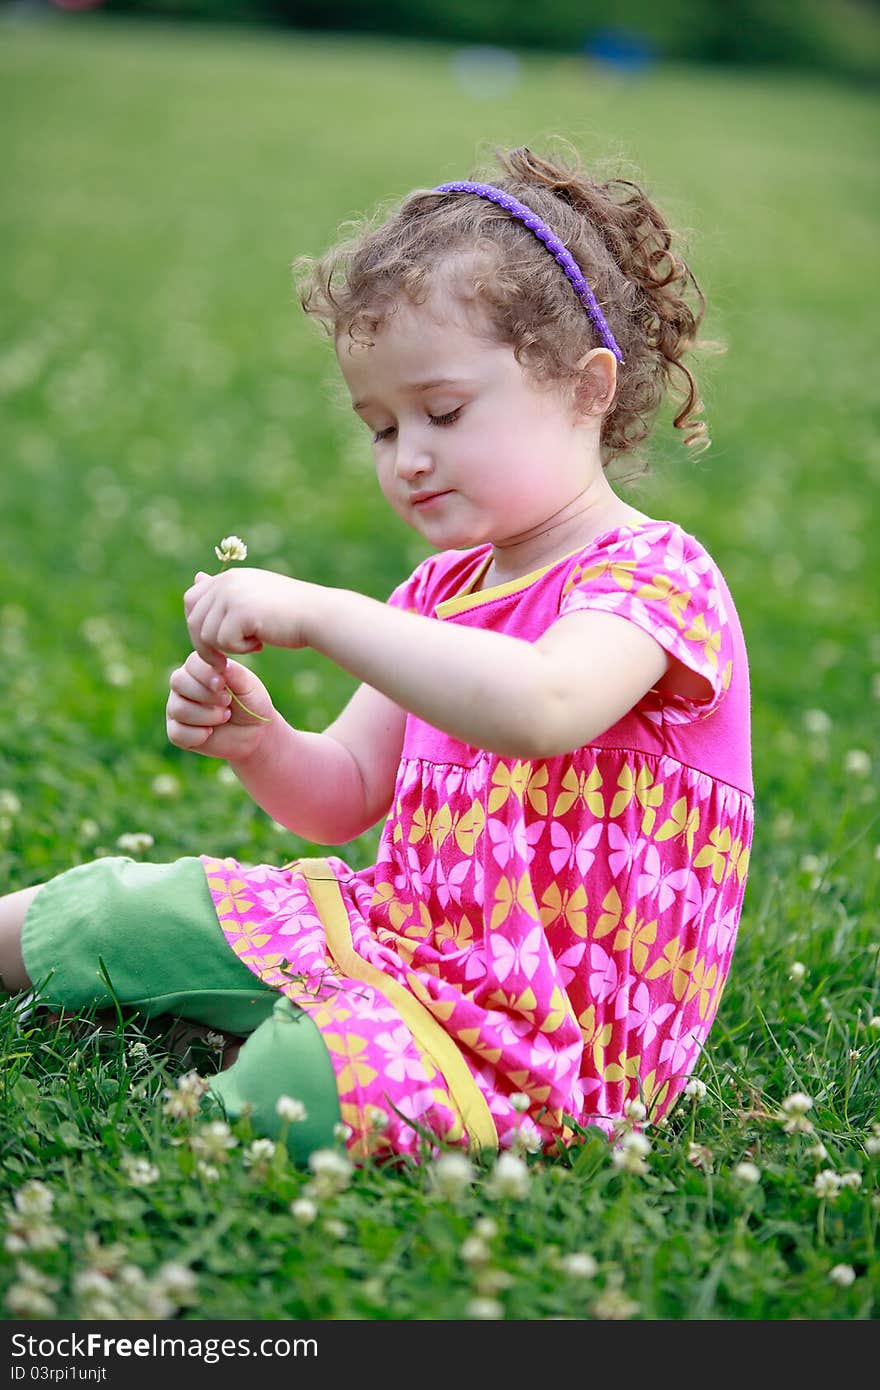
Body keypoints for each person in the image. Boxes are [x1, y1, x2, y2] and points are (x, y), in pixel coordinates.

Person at [0, 145, 753, 1166]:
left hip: (549, 1043)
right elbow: (345, 792)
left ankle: (267, 1051)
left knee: (291, 1087)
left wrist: (323, 613)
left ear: (585, 388)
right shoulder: (441, 593)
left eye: (442, 412)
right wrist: (262, 741)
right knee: (120, 908)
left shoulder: (657, 577)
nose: (408, 456)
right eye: (379, 426)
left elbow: (541, 705)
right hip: (400, 942)